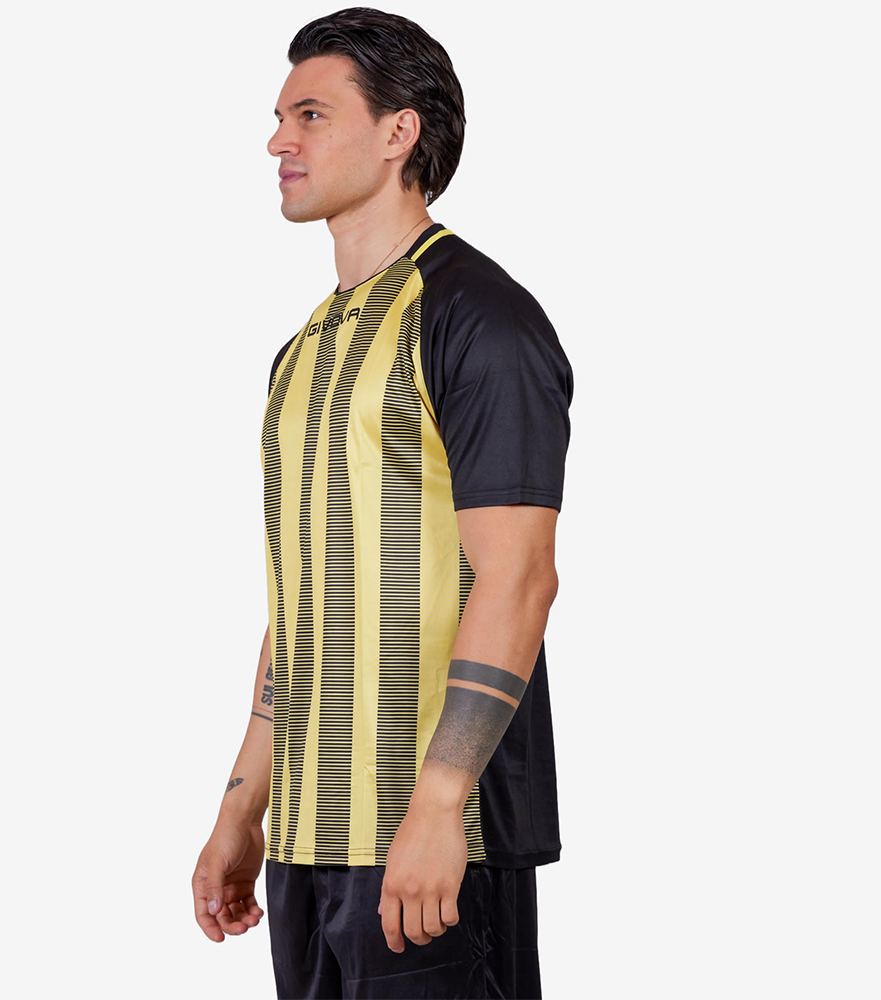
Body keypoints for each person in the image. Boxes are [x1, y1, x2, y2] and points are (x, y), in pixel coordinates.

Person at [192, 8, 574, 998]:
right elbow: (303, 602)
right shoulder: (302, 352)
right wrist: (243, 806)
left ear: (400, 131)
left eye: (311, 115)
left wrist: (439, 800)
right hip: (307, 844)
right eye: (280, 118)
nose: (279, 141)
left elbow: (519, 576)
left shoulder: (478, 318)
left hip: (436, 839)